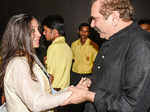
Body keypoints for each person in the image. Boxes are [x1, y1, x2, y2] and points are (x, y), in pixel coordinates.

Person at [62, 0, 150, 112]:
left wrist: (88, 96)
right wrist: (89, 82)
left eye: (95, 19)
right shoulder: (108, 39)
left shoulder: (141, 45)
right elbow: (107, 77)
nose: (92, 25)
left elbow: (132, 106)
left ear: (114, 17)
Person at [0, 13, 72, 112]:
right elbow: (36, 103)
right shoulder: (18, 64)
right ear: (21, 34)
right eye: (33, 31)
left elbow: (44, 91)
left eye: (38, 29)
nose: (39, 34)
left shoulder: (30, 58)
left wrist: (71, 90)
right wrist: (71, 94)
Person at [42, 15, 72, 91]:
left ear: (55, 32)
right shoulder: (68, 47)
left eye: (46, 31)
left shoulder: (52, 48)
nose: (43, 33)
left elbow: (50, 76)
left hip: (54, 91)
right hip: (65, 90)